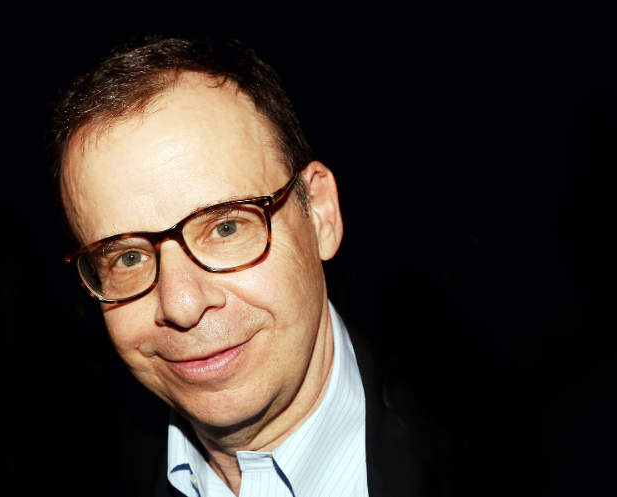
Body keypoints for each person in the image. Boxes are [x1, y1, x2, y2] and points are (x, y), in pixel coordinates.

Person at [51, 37, 427, 497]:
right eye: (129, 257)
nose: (182, 305)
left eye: (225, 228)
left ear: (320, 214)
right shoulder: (79, 467)